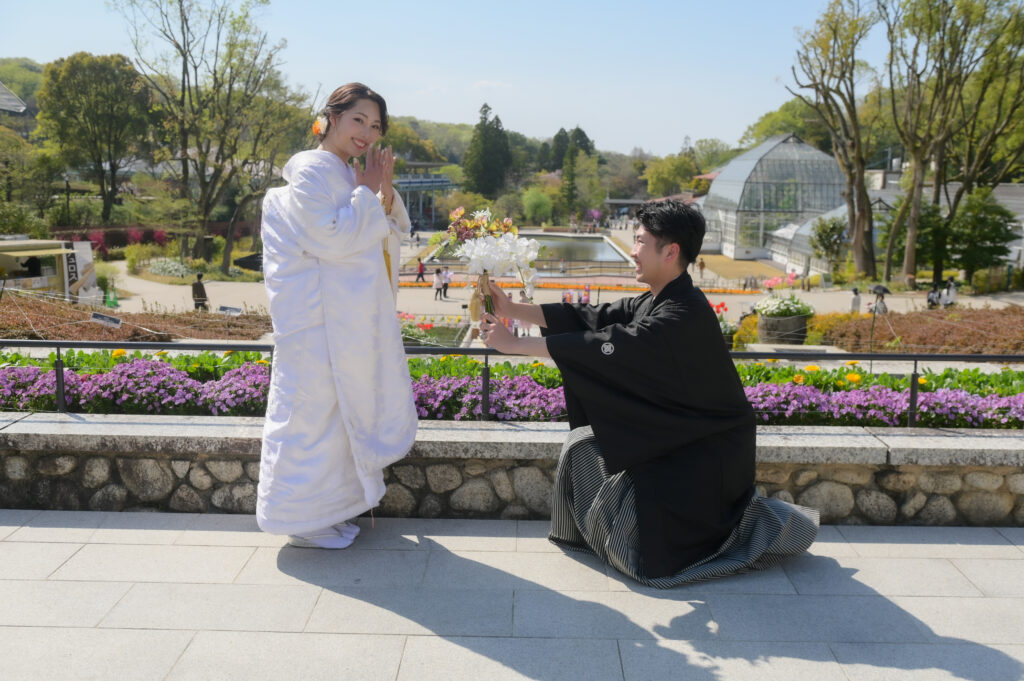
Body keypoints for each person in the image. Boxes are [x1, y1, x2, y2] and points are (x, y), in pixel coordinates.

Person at [478, 200, 818, 587]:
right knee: (583, 446)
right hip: (681, 440)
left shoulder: (682, 313)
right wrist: (515, 310)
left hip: (705, 458)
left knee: (644, 549)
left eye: (640, 241)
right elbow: (599, 318)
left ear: (670, 251)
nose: (633, 250)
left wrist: (515, 345)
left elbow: (610, 344)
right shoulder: (659, 299)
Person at [258, 82, 417, 549]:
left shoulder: (345, 175)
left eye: (375, 125)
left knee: (337, 419)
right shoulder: (310, 172)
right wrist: (368, 191)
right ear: (330, 119)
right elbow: (330, 239)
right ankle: (297, 517)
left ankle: (327, 512)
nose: (367, 133)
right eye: (357, 121)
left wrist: (378, 191)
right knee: (308, 417)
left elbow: (382, 232)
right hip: (315, 322)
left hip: (340, 321)